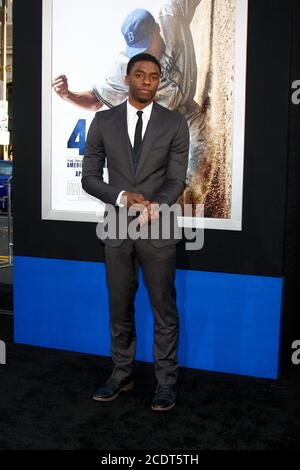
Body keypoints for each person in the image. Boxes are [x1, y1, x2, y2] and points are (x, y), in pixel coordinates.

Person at [81, 53, 189, 411]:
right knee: (119, 306)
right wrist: (122, 196)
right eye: (140, 74)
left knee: (163, 308)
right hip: (116, 227)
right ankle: (122, 373)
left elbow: (176, 178)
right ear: (127, 78)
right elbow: (90, 178)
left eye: (154, 76)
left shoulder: (175, 123)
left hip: (159, 226)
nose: (147, 81)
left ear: (159, 82)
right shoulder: (102, 122)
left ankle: (166, 381)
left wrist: (157, 204)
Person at [53, 1, 204, 184]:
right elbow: (95, 101)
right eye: (138, 49)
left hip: (189, 113)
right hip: (165, 128)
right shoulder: (124, 67)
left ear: (157, 29)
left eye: (147, 45)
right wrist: (68, 95)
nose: (144, 53)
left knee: (202, 156)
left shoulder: (170, 15)